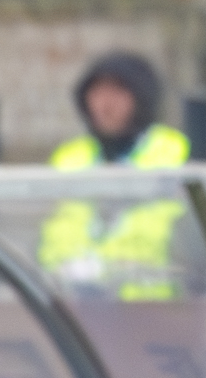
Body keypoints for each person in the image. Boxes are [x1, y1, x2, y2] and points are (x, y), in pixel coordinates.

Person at [39, 51, 189, 300]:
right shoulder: (68, 158)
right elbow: (50, 238)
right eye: (97, 93)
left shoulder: (176, 155)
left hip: (153, 308)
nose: (105, 105)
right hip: (74, 305)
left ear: (141, 98)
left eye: (118, 92)